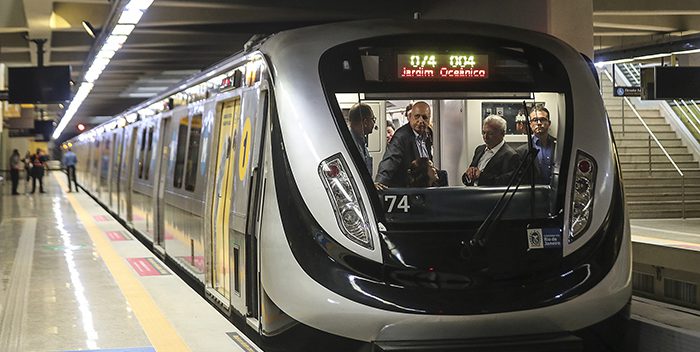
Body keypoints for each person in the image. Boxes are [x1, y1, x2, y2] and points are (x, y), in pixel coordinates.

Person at [375, 101, 432, 189]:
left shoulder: (427, 136)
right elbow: (391, 158)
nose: (421, 121)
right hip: (406, 191)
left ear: (429, 119)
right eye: (417, 116)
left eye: (424, 117)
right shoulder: (401, 136)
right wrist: (380, 181)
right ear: (410, 117)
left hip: (422, 189)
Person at [462, 115, 520, 186]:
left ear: (502, 133)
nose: (485, 137)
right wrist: (468, 174)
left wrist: (481, 176)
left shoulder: (511, 156)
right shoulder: (479, 150)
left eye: (490, 133)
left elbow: (506, 183)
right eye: (483, 132)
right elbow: (469, 178)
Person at [516, 106, 556, 184]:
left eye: (543, 119)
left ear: (549, 123)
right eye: (535, 120)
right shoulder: (522, 151)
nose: (539, 123)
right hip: (534, 193)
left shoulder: (559, 145)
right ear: (530, 124)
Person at [348, 103, 376, 173]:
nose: (374, 123)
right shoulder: (349, 143)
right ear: (365, 122)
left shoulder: (360, 141)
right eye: (373, 119)